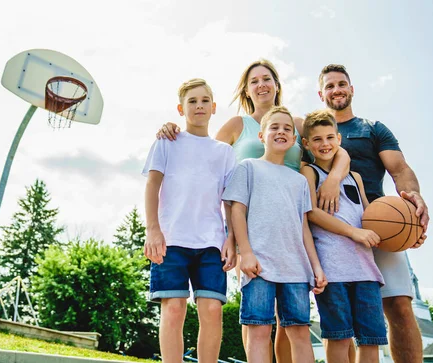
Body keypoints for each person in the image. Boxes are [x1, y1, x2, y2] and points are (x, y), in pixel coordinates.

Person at [157, 59, 351, 362]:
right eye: (254, 81)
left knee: (292, 322)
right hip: (249, 229)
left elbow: (335, 146)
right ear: (247, 90)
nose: (261, 85)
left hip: (291, 223)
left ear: (276, 84)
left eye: (267, 78)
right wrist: (173, 130)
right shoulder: (237, 126)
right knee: (258, 317)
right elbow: (201, 153)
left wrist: (334, 180)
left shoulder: (297, 124)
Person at [317, 64, 430, 363]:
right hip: (333, 228)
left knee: (400, 307)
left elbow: (400, 169)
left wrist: (413, 201)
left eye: (342, 84)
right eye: (330, 86)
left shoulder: (372, 128)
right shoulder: (315, 132)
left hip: (381, 222)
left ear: (352, 89)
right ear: (321, 94)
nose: (336, 89)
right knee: (342, 320)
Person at [222, 106, 327, 363]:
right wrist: (245, 252)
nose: (281, 132)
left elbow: (303, 227)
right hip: (259, 266)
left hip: (295, 270)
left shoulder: (299, 181)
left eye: (287, 129)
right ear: (261, 135)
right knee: (259, 331)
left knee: (300, 332)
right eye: (274, 127)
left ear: (293, 140)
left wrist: (315, 265)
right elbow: (237, 212)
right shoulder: (248, 168)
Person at [143, 78, 237, 363]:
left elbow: (230, 201)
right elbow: (152, 185)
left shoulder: (224, 152)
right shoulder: (167, 142)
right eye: (192, 101)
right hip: (171, 239)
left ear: (214, 107)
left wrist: (231, 238)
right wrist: (152, 230)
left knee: (212, 310)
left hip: (211, 242)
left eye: (205, 100)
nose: (199, 106)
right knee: (173, 309)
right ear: (180, 109)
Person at [300, 110, 387, 363]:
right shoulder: (309, 173)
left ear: (339, 139)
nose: (324, 144)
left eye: (329, 137)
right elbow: (312, 213)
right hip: (333, 270)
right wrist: (353, 232)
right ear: (306, 143)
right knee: (338, 338)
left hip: (366, 270)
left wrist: (404, 232)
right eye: (317, 139)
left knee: (371, 342)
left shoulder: (355, 177)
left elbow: (370, 216)